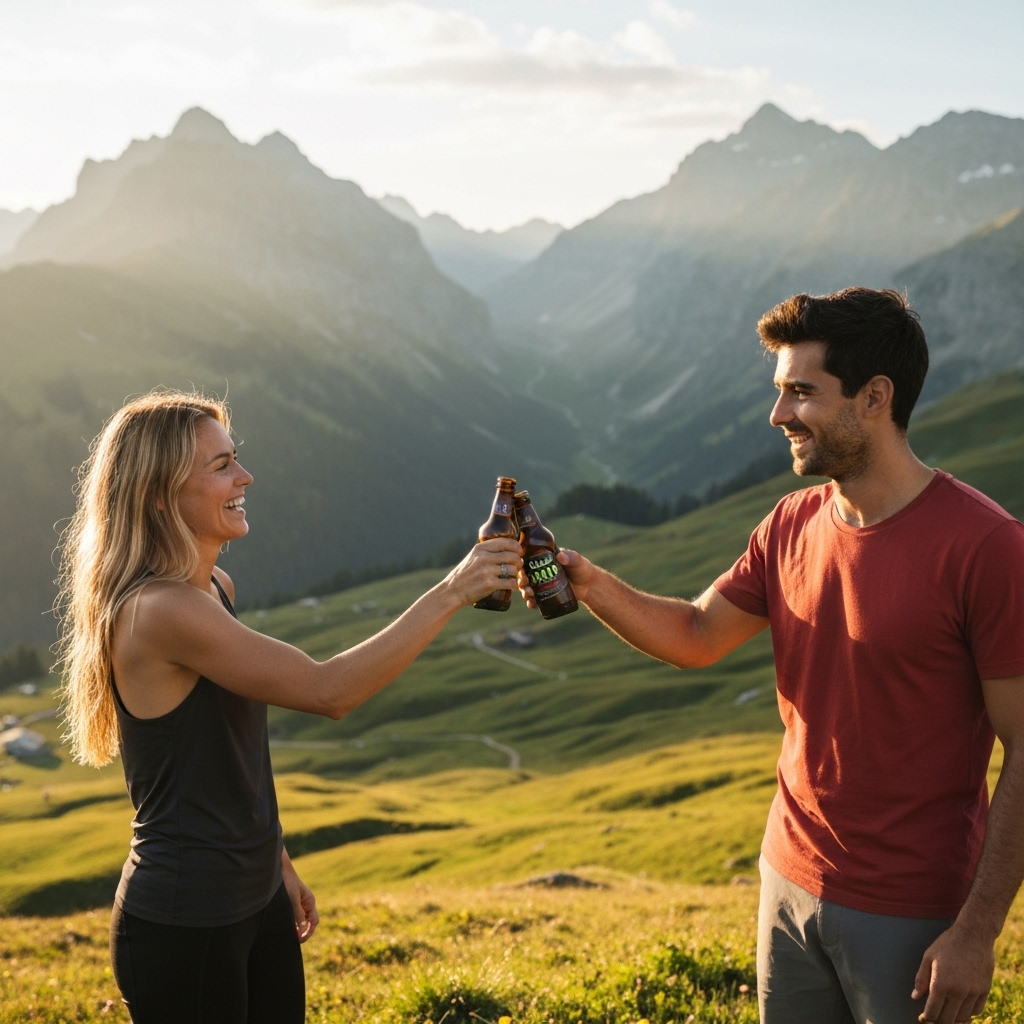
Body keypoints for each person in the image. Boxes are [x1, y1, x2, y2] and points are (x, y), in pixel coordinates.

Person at [520, 288, 1024, 1024]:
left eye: (801, 392)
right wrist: (589, 584)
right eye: (779, 391)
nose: (778, 415)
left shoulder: (985, 547)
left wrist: (977, 932)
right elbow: (697, 634)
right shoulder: (791, 522)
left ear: (875, 397)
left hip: (911, 911)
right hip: (786, 880)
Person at [56, 390, 522, 1024]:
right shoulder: (161, 611)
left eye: (235, 458)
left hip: (254, 897)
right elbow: (327, 690)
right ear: (160, 495)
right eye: (219, 466)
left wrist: (274, 861)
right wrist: (452, 590)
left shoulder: (214, 588)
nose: (245, 476)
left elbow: (224, 756)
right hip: (184, 918)